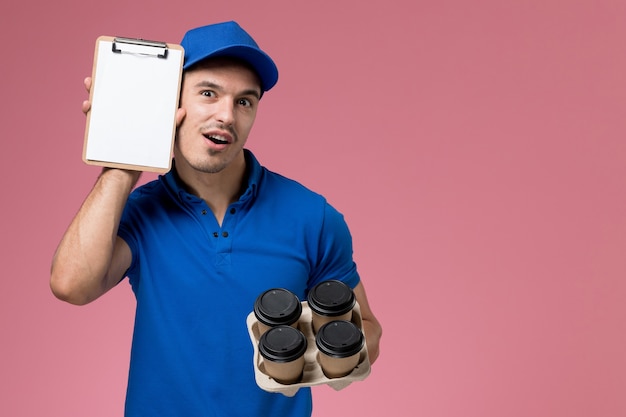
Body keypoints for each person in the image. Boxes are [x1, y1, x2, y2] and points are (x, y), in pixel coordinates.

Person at [50, 21, 382, 417]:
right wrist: (124, 160)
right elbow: (72, 286)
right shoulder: (141, 212)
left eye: (245, 101)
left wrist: (324, 354)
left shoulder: (311, 216)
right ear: (170, 102)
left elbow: (366, 327)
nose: (227, 115)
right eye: (209, 93)